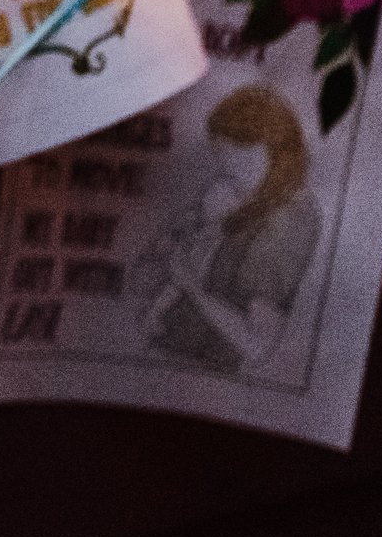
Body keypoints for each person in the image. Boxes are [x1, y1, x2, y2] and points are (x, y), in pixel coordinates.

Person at [134, 84, 322, 373]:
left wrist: (190, 286)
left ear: (275, 150)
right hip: (166, 353)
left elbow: (258, 345)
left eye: (240, 154)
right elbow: (144, 271)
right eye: (222, 156)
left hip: (206, 371)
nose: (228, 167)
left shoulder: (290, 217)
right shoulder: (236, 195)